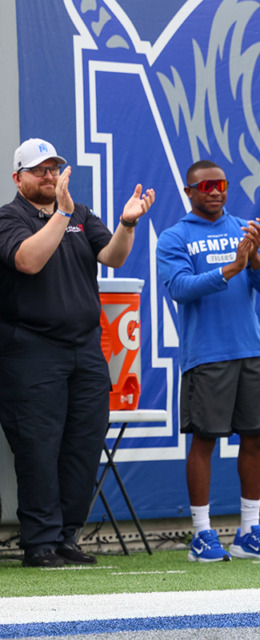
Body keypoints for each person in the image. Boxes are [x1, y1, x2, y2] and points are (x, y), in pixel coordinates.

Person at [0, 138, 155, 567]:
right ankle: (40, 543)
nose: (49, 176)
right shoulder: (9, 218)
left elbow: (113, 258)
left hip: (85, 349)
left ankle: (68, 535)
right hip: (30, 351)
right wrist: (61, 214)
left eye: (54, 168)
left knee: (84, 446)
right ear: (18, 178)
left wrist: (127, 224)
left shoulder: (81, 214)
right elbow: (28, 260)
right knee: (38, 448)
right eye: (39, 170)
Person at [156, 160, 260, 563]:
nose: (214, 191)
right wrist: (230, 267)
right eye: (205, 185)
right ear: (189, 192)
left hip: (252, 350)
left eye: (221, 184)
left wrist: (255, 260)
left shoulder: (245, 230)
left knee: (255, 439)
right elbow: (179, 289)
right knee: (204, 441)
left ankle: (249, 530)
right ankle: (201, 534)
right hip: (206, 356)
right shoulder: (174, 237)